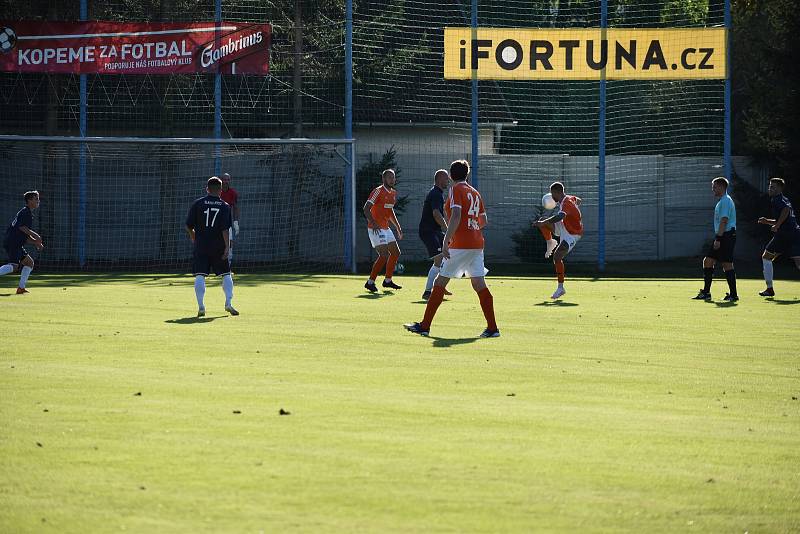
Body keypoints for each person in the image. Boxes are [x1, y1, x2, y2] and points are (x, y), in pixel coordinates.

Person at [404, 160, 499, 338]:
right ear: (467, 174)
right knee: (479, 284)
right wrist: (471, 227)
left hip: (461, 243)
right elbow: (483, 220)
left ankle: (424, 326)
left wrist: (447, 239)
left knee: (440, 282)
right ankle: (493, 328)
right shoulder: (475, 192)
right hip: (477, 244)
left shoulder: (456, 189)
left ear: (451, 175)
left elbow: (455, 215)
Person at [185, 177, 238, 317]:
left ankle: (201, 306)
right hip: (218, 245)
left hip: (201, 244)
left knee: (200, 274)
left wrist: (193, 236)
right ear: (220, 190)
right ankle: (228, 303)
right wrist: (227, 246)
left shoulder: (198, 203)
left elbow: (189, 225)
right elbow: (225, 229)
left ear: (207, 189)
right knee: (226, 273)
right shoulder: (225, 206)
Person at [533, 182, 583, 299]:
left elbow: (560, 216)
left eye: (552, 194)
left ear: (557, 192)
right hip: (565, 225)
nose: (551, 197)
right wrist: (575, 207)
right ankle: (550, 242)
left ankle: (561, 288)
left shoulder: (566, 203)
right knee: (543, 220)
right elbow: (579, 200)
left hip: (573, 234)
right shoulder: (569, 199)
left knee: (557, 257)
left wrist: (543, 223)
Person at [693, 176, 738, 302]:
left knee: (727, 264)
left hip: (726, 236)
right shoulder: (723, 201)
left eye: (714, 186)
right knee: (708, 261)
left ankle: (733, 295)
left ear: (721, 186)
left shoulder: (725, 201)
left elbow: (724, 220)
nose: (712, 189)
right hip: (723, 235)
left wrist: (718, 239)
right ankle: (706, 292)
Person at [757, 177, 800, 296]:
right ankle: (769, 289)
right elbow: (784, 217)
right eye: (770, 186)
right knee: (799, 263)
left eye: (773, 187)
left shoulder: (776, 200)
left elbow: (785, 211)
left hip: (784, 235)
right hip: (795, 233)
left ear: (780, 188)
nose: (770, 188)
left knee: (766, 257)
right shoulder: (785, 199)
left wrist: (777, 226)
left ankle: (769, 289)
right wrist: (768, 222)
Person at [363, 169, 403, 292]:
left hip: (386, 228)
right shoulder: (377, 191)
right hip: (376, 229)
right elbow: (366, 208)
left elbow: (390, 211)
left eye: (393, 177)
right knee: (384, 255)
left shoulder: (393, 193)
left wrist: (397, 226)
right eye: (390, 177)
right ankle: (370, 282)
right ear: (384, 179)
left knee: (396, 253)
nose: (392, 179)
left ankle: (387, 281)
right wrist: (373, 223)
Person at [419, 169, 453, 300]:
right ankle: (428, 292)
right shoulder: (436, 194)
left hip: (435, 231)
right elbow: (436, 214)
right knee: (439, 260)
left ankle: (440, 286)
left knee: (447, 257)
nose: (448, 181)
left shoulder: (438, 193)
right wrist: (447, 229)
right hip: (428, 231)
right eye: (446, 179)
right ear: (439, 179)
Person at [1, 190, 44, 294]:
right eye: (36, 199)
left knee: (29, 263)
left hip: (15, 242)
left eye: (38, 199)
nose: (38, 201)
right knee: (14, 266)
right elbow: (22, 227)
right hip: (13, 242)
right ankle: (21, 288)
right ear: (29, 201)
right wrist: (36, 236)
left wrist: (36, 242)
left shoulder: (27, 212)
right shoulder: (26, 213)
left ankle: (21, 288)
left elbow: (24, 235)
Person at [220, 173, 240, 262]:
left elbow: (235, 207)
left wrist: (236, 222)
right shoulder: (216, 192)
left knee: (230, 242)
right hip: (215, 223)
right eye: (224, 179)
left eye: (228, 180)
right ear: (221, 180)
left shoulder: (233, 193)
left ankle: (229, 263)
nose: (226, 181)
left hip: (227, 223)